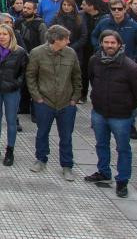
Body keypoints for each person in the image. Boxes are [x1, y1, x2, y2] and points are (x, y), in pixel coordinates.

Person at [85, 29, 137, 197]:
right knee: (101, 144)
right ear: (101, 44)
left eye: (113, 43)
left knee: (123, 149)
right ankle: (104, 172)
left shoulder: (131, 67)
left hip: (121, 115)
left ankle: (122, 180)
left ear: (120, 44)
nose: (109, 45)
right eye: (106, 42)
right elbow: (91, 80)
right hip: (99, 112)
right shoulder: (95, 61)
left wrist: (128, 106)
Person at [26, 24, 82, 180]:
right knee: (42, 132)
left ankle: (67, 165)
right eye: (66, 39)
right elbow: (31, 77)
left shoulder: (71, 54)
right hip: (45, 102)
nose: (69, 42)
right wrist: (37, 97)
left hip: (66, 103)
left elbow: (77, 77)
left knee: (66, 136)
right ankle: (41, 158)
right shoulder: (37, 53)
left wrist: (74, 98)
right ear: (56, 40)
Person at [0, 23, 27, 166]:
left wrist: (16, 83)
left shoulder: (19, 52)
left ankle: (10, 150)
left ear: (11, 36)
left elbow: (24, 72)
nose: (2, 37)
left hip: (11, 90)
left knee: (11, 120)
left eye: (5, 34)